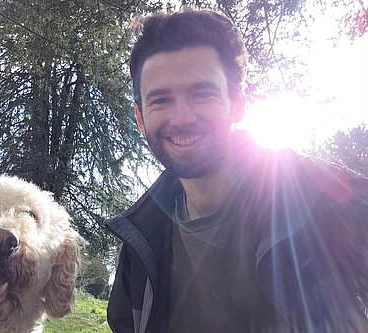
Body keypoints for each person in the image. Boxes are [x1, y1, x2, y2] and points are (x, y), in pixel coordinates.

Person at [105, 9, 367, 333]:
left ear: (237, 103)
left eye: (202, 94)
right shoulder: (139, 241)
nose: (183, 117)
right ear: (141, 118)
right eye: (161, 100)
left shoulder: (327, 201)